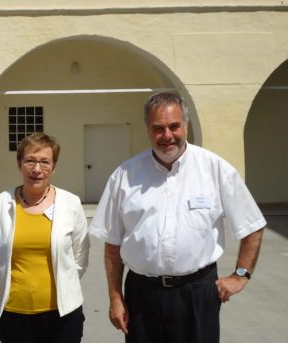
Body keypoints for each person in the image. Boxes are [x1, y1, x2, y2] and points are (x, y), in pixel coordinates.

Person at [89, 92, 266, 343]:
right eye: (158, 128)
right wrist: (116, 297)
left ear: (186, 125)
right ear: (148, 130)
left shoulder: (215, 169)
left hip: (198, 293)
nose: (167, 135)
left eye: (174, 126)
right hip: (142, 295)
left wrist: (240, 275)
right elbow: (112, 247)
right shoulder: (125, 176)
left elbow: (252, 226)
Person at [0, 132, 90, 343]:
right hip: (14, 313)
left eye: (45, 162)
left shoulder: (70, 203)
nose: (37, 169)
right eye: (30, 161)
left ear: (54, 167)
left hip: (62, 314)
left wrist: (65, 281)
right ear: (19, 164)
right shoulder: (0, 203)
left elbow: (80, 257)